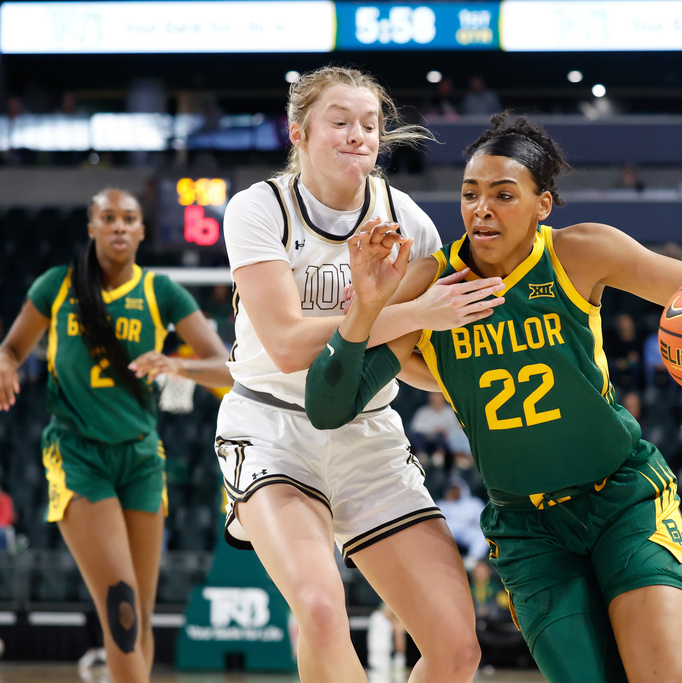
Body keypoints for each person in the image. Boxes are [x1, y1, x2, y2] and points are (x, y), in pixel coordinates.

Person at [304, 113, 682, 683]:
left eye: (503, 194)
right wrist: (366, 310)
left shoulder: (581, 252)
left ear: (543, 204)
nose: (482, 209)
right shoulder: (433, 284)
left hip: (622, 497)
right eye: (470, 194)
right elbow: (328, 407)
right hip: (529, 529)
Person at [216, 66, 489, 683]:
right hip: (272, 430)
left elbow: (404, 356)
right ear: (298, 133)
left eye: (370, 125)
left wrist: (462, 378)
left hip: (368, 432)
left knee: (456, 650)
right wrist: (408, 310)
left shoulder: (410, 223)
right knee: (318, 608)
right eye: (338, 122)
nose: (357, 135)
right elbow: (287, 344)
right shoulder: (259, 208)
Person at [0, 188, 232, 682]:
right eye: (109, 218)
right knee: (121, 607)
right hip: (78, 456)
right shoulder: (56, 286)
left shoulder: (162, 292)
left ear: (142, 230)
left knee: (140, 618)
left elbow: (227, 371)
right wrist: (4, 363)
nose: (120, 227)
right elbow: (13, 348)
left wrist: (176, 364)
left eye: (129, 218)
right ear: (92, 227)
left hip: (142, 459)